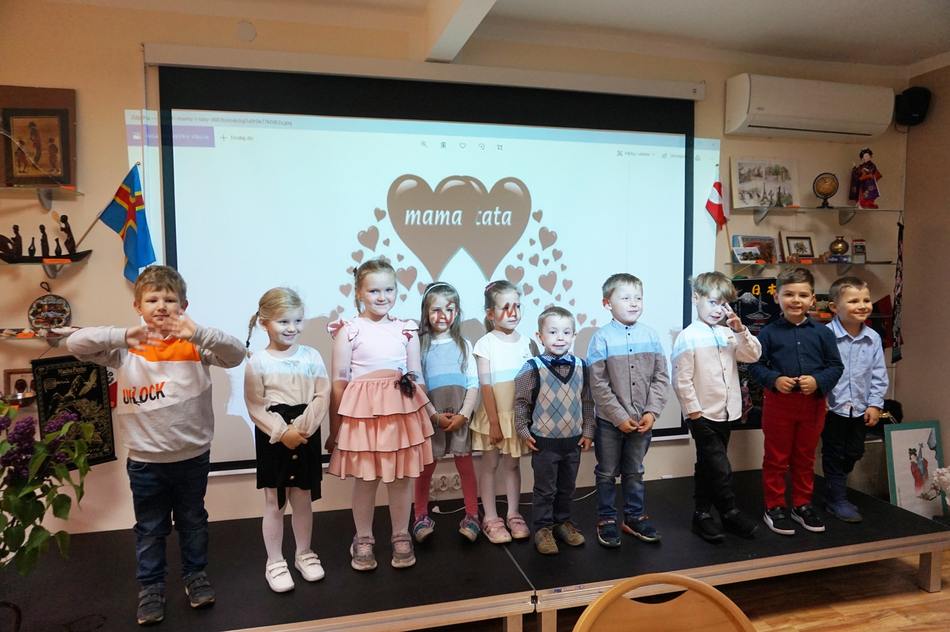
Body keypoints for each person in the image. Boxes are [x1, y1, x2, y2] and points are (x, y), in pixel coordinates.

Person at [66, 265, 245, 626]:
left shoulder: (195, 344)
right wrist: (122, 335)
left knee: (193, 521)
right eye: (152, 299)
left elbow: (236, 354)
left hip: (192, 457)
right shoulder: (126, 348)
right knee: (150, 527)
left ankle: (195, 575)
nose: (161, 306)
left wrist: (201, 333)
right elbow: (75, 344)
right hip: (145, 461)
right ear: (138, 306)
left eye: (169, 299)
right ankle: (151, 587)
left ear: (184, 306)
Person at [325, 258, 434, 571]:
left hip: (399, 415)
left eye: (388, 289)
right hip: (364, 419)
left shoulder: (405, 329)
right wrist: (335, 428)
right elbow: (339, 383)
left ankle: (401, 535)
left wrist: (428, 414)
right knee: (366, 480)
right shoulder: (349, 330)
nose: (382, 296)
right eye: (374, 291)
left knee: (400, 479)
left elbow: (416, 375)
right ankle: (363, 538)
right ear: (359, 292)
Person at [244, 288, 330, 592]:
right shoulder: (257, 362)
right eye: (283, 322)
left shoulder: (312, 356)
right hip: (273, 437)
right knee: (274, 501)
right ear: (264, 323)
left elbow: (322, 395)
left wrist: (302, 429)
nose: (292, 328)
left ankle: (304, 553)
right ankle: (275, 561)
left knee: (302, 497)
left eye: (297, 320)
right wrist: (282, 432)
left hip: (305, 435)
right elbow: (255, 405)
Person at [749, 267, 843, 536]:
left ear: (812, 299)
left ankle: (801, 504)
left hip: (813, 405)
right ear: (777, 297)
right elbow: (755, 366)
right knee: (776, 458)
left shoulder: (824, 333)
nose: (796, 300)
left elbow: (836, 366)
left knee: (805, 457)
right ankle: (775, 506)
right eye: (789, 294)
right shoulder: (767, 333)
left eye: (802, 295)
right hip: (779, 404)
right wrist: (774, 379)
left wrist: (818, 381)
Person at [671, 272, 761, 543]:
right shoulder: (688, 337)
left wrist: (740, 330)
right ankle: (729, 511)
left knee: (707, 464)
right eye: (712, 302)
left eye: (723, 304)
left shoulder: (728, 334)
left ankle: (701, 515)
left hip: (727, 412)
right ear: (695, 298)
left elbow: (753, 355)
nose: (718, 310)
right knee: (720, 467)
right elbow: (681, 380)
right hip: (702, 414)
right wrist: (694, 413)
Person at [587, 273, 669, 548]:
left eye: (638, 298)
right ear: (607, 303)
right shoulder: (600, 339)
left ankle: (634, 517)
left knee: (635, 471)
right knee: (607, 472)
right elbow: (598, 384)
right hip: (609, 424)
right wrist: (619, 417)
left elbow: (661, 377)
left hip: (642, 421)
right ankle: (607, 520)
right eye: (625, 298)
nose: (633, 303)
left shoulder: (651, 336)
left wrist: (652, 412)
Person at [514, 306, 594, 554]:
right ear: (540, 336)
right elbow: (521, 403)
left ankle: (562, 523)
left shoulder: (582, 366)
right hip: (545, 443)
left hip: (572, 442)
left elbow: (587, 401)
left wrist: (588, 430)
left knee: (567, 488)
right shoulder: (531, 368)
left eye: (566, 332)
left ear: (574, 335)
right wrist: (523, 430)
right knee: (545, 490)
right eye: (553, 332)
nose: (560, 338)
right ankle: (543, 529)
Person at [412, 282, 481, 543]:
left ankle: (472, 515)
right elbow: (417, 386)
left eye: (449, 309)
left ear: (457, 312)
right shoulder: (420, 346)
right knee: (425, 470)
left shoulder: (464, 344)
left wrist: (464, 414)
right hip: (432, 418)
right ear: (426, 312)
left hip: (460, 417)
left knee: (466, 467)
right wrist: (433, 415)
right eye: (436, 310)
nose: (443, 316)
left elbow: (473, 383)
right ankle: (420, 516)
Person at [470, 280, 537, 544]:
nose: (513, 312)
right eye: (505, 307)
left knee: (512, 464)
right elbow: (486, 387)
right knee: (490, 465)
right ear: (490, 313)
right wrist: (495, 422)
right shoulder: (485, 344)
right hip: (494, 417)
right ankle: (490, 517)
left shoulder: (528, 342)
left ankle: (513, 513)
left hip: (517, 418)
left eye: (517, 306)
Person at [822, 276, 888, 523]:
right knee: (833, 452)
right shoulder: (824, 335)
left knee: (854, 451)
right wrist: (820, 397)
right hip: (832, 408)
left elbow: (879, 374)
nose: (862, 306)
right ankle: (837, 499)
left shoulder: (873, 338)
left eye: (866, 300)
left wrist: (875, 404)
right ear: (834, 307)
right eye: (853, 301)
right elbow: (817, 370)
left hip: (860, 408)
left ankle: (834, 488)